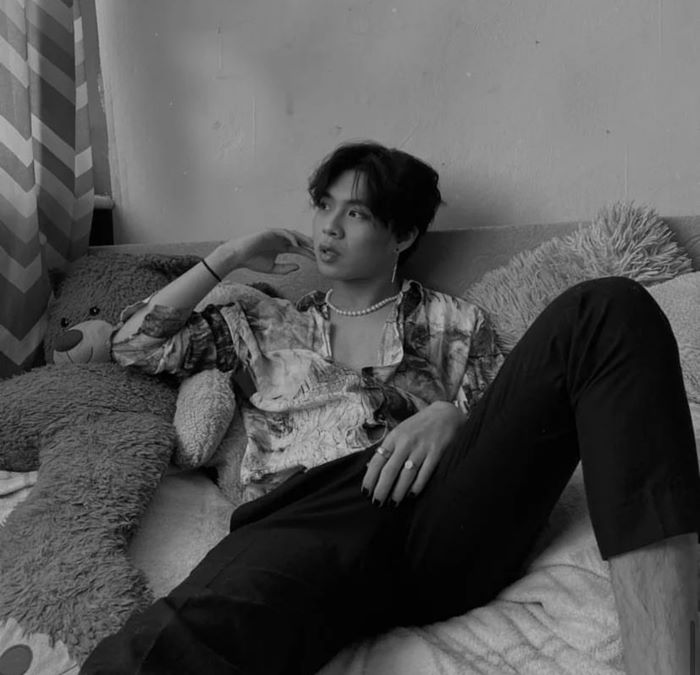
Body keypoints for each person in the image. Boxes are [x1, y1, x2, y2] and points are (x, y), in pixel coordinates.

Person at [81, 141, 699, 675]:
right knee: (197, 626)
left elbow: (508, 432)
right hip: (309, 520)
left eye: (354, 213)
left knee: (609, 309)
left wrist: (453, 417)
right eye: (323, 206)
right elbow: (132, 346)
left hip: (438, 521)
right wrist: (229, 256)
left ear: (402, 234)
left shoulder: (457, 324)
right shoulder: (266, 322)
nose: (328, 228)